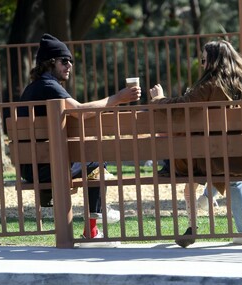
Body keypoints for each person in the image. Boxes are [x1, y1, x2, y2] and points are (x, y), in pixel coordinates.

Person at [18, 33, 141, 240]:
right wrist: (117, 99)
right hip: (44, 168)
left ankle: (94, 224)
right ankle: (95, 223)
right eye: (64, 61)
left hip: (33, 164)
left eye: (71, 62)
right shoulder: (48, 86)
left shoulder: (37, 87)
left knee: (93, 159)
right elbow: (80, 110)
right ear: (50, 63)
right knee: (96, 159)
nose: (69, 66)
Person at [149, 40, 242, 248]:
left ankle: (241, 229)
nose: (202, 63)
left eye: (204, 59)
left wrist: (158, 99)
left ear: (214, 61)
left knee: (221, 166)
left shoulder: (211, 84)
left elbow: (181, 108)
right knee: (234, 172)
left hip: (215, 158)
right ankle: (219, 206)